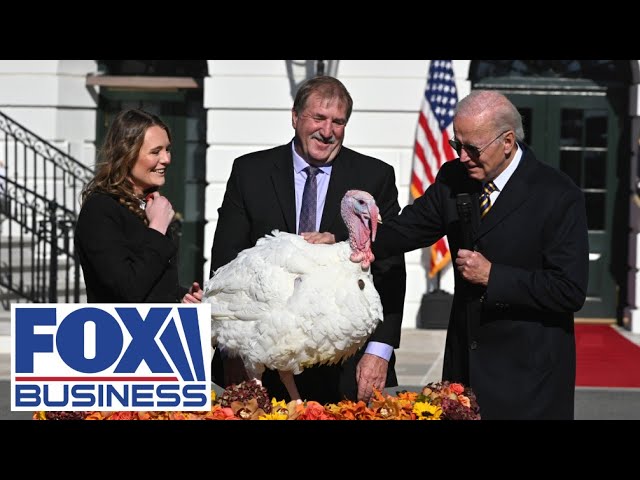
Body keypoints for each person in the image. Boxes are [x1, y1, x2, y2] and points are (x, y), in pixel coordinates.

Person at [363, 89, 589, 419]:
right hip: (464, 371)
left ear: (508, 142)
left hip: (529, 379)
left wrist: (493, 276)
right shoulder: (454, 178)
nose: (463, 156)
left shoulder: (557, 194)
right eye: (458, 145)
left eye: (472, 148)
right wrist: (348, 239)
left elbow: (569, 289)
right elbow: (406, 229)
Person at [209, 75, 407, 404]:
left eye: (338, 122)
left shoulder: (375, 177)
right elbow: (226, 261)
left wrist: (380, 350)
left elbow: (391, 269)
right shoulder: (250, 172)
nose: (327, 131)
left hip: (345, 366)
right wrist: (232, 349)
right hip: (263, 362)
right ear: (295, 117)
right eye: (318, 118)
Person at [75, 108, 203, 305]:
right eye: (155, 152)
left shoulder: (147, 204)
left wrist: (181, 296)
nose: (166, 159)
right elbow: (126, 289)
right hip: (117, 333)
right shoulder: (100, 209)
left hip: (155, 332)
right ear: (127, 154)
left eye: (167, 149)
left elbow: (152, 282)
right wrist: (158, 229)